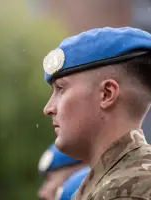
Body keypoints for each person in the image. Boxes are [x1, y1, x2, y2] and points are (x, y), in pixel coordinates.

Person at [42, 27, 151, 199]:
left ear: (107, 94)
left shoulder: (130, 189)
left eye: (61, 89)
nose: (48, 109)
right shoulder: (113, 182)